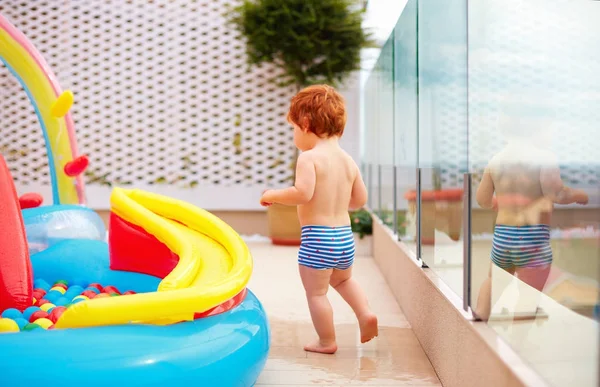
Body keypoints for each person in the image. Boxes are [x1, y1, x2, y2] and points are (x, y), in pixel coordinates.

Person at [260, 85, 378, 354]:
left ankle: (326, 341)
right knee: (344, 281)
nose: (293, 135)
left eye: (293, 128)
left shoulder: (309, 158)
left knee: (316, 294)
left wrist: (273, 195)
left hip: (318, 238)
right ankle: (365, 313)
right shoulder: (348, 161)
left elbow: (302, 193)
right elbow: (359, 201)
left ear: (305, 123)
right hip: (344, 238)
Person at [473, 118, 588, 321]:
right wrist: (580, 195)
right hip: (532, 238)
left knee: (494, 280)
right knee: (528, 292)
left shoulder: (496, 160)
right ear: (537, 130)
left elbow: (482, 200)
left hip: (503, 236)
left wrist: (497, 203)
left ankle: (481, 314)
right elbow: (557, 194)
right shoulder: (544, 158)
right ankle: (519, 337)